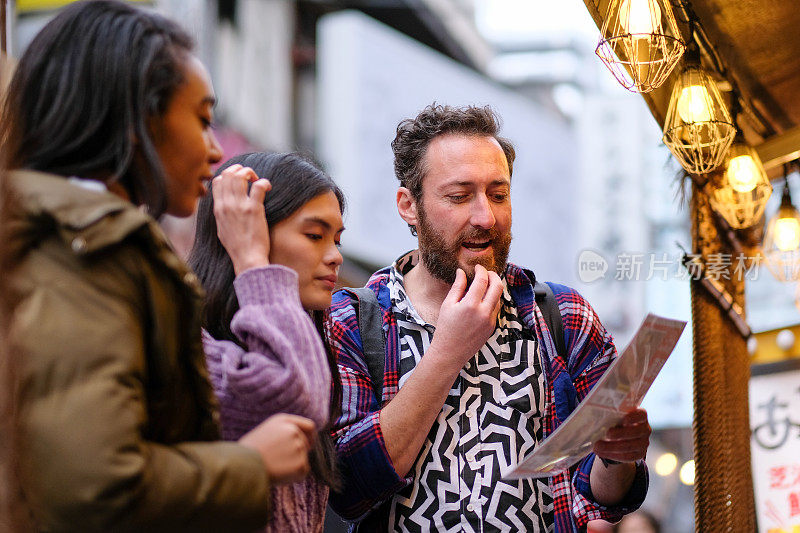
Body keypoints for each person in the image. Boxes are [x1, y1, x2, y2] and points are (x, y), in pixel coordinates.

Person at [0, 2, 315, 531]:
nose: (215, 150)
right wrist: (249, 465)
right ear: (135, 120)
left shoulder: (61, 232)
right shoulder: (88, 249)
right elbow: (94, 488)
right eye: (201, 120)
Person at [327, 104, 651, 531]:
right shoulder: (352, 319)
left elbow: (604, 497)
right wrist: (447, 352)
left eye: (499, 194)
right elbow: (349, 488)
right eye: (459, 196)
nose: (485, 217)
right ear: (409, 205)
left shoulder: (561, 316)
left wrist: (618, 458)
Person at [188, 152, 346, 532]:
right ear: (243, 230)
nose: (336, 256)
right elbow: (295, 398)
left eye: (338, 239)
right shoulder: (190, 349)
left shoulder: (309, 340)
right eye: (314, 235)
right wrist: (251, 258)